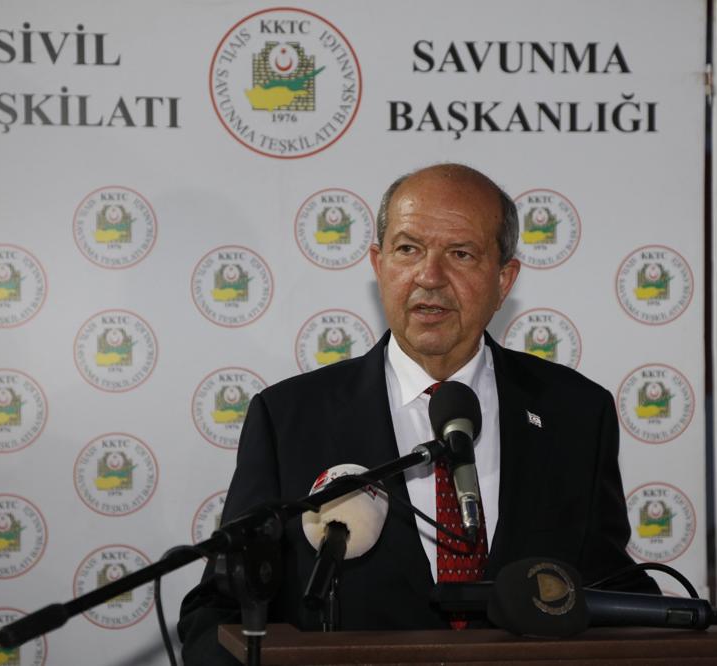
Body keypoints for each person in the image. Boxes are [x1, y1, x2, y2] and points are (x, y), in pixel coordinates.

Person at [178, 163, 658, 663]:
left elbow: (611, 592)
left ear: (503, 279)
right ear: (379, 264)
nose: (430, 277)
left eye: (461, 253)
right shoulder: (289, 419)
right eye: (408, 249)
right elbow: (220, 611)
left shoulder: (576, 414)